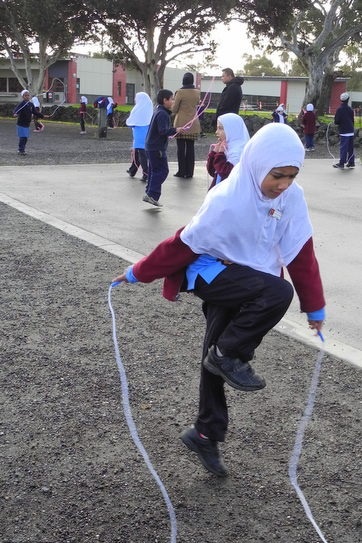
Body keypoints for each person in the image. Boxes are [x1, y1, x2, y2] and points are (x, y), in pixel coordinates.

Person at [113, 122, 326, 477]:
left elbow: (301, 251)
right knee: (276, 294)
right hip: (212, 275)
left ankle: (204, 433)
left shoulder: (292, 197)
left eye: (292, 175)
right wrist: (139, 271)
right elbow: (182, 243)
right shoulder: (228, 199)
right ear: (259, 165)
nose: (284, 184)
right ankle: (229, 355)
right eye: (278, 175)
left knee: (214, 357)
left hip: (248, 279)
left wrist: (315, 306)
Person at [143, 89, 183, 207]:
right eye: (172, 99)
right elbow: (163, 131)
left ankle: (149, 193)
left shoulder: (158, 111)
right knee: (162, 171)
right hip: (157, 148)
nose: (173, 101)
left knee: (153, 170)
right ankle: (151, 194)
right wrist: (176, 130)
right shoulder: (163, 114)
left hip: (151, 146)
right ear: (165, 100)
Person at [207, 113, 250, 189]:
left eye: (220, 128)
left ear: (232, 130)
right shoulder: (226, 147)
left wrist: (220, 155)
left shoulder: (239, 151)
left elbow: (226, 173)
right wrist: (214, 153)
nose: (216, 132)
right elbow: (213, 172)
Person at [172, 72, 200, 179]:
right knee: (190, 148)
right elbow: (197, 104)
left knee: (180, 148)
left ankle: (181, 171)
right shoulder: (197, 92)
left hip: (181, 123)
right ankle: (189, 172)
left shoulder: (180, 92)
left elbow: (174, 109)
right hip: (193, 123)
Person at [126, 92, 153, 182]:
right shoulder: (149, 108)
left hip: (138, 133)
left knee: (141, 154)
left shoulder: (137, 109)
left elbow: (130, 122)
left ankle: (146, 173)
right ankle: (132, 170)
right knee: (139, 152)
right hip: (146, 132)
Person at [13, 89, 45, 155]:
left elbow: (35, 112)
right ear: (23, 96)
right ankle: (21, 150)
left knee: (25, 138)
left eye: (28, 95)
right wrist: (15, 114)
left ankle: (22, 150)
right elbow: (16, 110)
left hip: (27, 124)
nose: (27, 96)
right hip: (21, 123)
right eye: (25, 95)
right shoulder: (21, 104)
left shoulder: (30, 104)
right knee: (23, 137)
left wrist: (42, 116)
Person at [333, 92, 355, 169]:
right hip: (351, 130)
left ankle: (341, 163)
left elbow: (336, 121)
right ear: (348, 99)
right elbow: (352, 120)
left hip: (344, 131)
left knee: (343, 148)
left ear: (340, 99)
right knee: (350, 148)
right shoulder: (350, 109)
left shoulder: (339, 109)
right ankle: (351, 162)